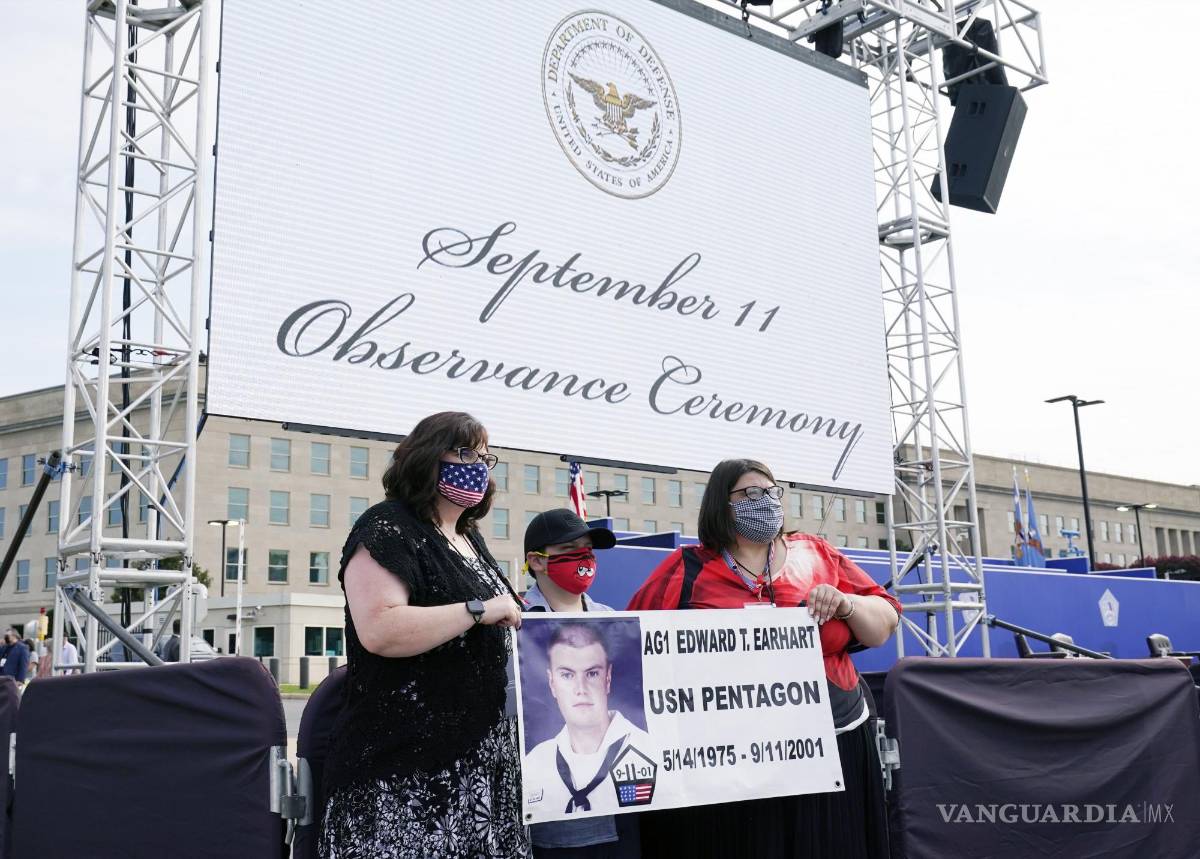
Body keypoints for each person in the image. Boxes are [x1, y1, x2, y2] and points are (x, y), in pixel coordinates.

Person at [627, 458, 901, 859]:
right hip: (730, 759)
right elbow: (630, 642)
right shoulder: (686, 569)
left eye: (773, 492)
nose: (766, 501)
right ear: (722, 503)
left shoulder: (816, 553)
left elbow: (884, 623)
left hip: (831, 746)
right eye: (751, 493)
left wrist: (847, 604)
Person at [320, 412, 529, 859]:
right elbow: (381, 630)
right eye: (465, 453)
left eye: (485, 457)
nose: (478, 466)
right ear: (427, 456)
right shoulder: (388, 526)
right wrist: (478, 610)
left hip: (480, 773)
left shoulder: (469, 537)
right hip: (406, 777)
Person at [523, 510, 640, 858]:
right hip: (552, 819)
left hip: (619, 809)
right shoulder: (515, 624)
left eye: (588, 550)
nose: (584, 559)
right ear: (537, 561)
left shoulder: (613, 621)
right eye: (569, 550)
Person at [523, 624, 651, 845]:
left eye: (592, 673)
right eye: (567, 675)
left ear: (607, 678)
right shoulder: (535, 761)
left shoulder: (648, 750)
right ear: (552, 683)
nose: (580, 689)